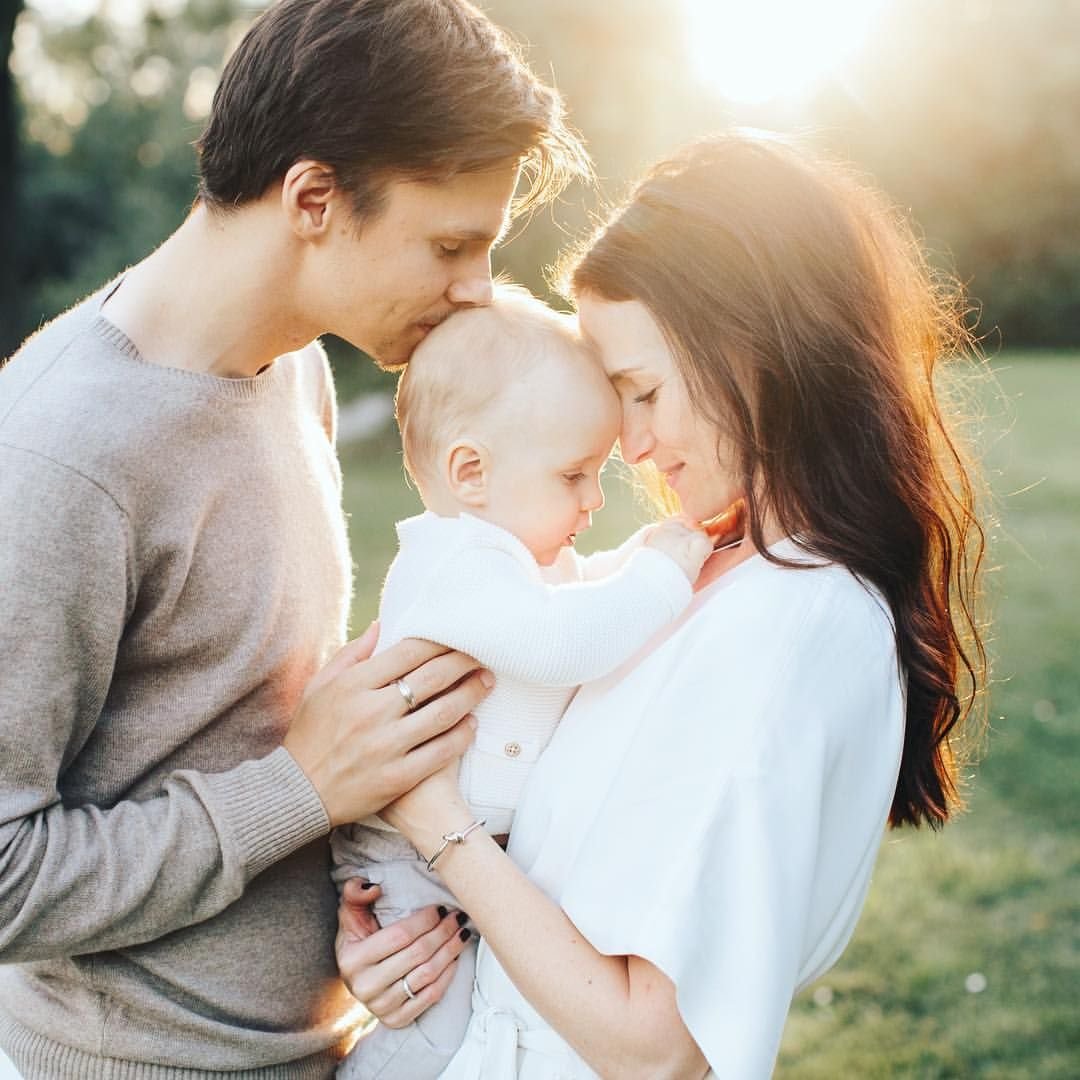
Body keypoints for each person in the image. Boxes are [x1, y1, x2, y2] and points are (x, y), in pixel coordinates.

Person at [0, 0, 588, 1075]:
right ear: (314, 197)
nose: (475, 290)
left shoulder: (296, 369)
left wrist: (357, 923)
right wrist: (299, 793)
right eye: (451, 246)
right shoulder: (56, 459)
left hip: (319, 1047)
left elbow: (250, 727)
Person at [334, 131, 988, 1078]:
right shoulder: (697, 564)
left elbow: (654, 1050)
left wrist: (431, 821)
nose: (632, 447)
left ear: (753, 350)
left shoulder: (800, 623)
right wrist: (410, 948)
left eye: (642, 391)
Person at [329, 285, 713, 1079]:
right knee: (436, 1018)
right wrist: (663, 576)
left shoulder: (510, 562)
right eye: (574, 474)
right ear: (470, 472)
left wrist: (637, 561)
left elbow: (571, 604)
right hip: (406, 856)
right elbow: (564, 639)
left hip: (451, 849)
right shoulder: (458, 565)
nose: (594, 498)